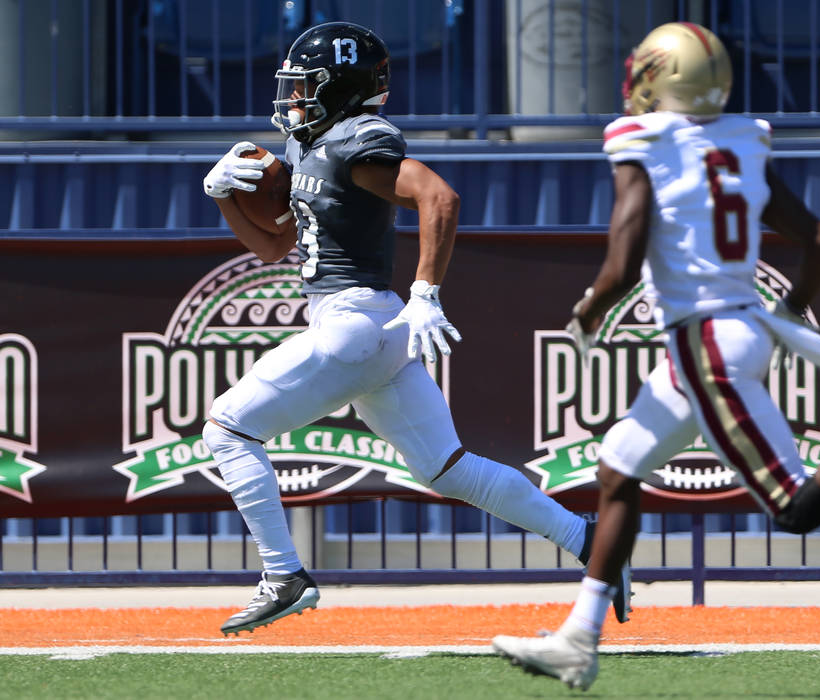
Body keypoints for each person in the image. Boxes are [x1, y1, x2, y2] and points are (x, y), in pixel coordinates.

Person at [491, 21, 820, 690]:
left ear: (656, 78)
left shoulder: (646, 143)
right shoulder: (741, 141)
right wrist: (785, 312)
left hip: (703, 344)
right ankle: (579, 636)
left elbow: (625, 257)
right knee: (617, 469)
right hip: (726, 333)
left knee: (796, 507)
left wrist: (589, 308)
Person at [200, 21, 630, 636]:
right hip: (365, 331)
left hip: (352, 323)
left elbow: (439, 197)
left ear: (341, 90)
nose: (292, 99)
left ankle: (283, 574)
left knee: (227, 429)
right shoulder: (315, 147)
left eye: (305, 87)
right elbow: (274, 246)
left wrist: (426, 292)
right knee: (448, 470)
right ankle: (587, 539)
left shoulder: (356, 142)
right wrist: (220, 196)